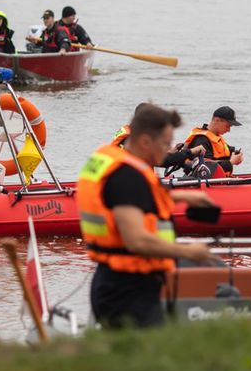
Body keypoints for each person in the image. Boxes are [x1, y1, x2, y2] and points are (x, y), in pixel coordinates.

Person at [79, 103, 218, 329]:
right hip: (127, 289)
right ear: (145, 142)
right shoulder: (126, 177)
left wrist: (179, 197)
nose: (169, 150)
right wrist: (190, 252)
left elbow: (128, 200)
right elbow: (137, 240)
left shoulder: (115, 161)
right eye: (165, 144)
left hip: (118, 282)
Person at [182, 106, 244, 176]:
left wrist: (236, 154)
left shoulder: (215, 137)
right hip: (203, 183)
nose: (229, 130)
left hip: (219, 180)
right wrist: (231, 162)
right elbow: (206, 168)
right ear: (217, 120)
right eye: (227, 126)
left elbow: (226, 152)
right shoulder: (201, 140)